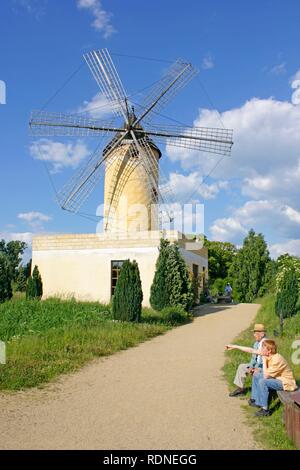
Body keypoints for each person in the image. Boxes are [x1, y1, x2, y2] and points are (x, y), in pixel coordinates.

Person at [250, 339, 297, 417]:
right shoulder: (269, 355)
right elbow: (251, 350)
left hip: (286, 382)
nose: (261, 349)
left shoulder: (277, 359)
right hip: (277, 378)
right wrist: (234, 346)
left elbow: (265, 376)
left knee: (263, 381)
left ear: (269, 351)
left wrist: (264, 360)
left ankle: (265, 410)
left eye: (263, 348)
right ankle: (256, 401)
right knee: (256, 374)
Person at [225, 323, 267, 397]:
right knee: (242, 367)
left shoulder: (267, 344)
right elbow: (254, 357)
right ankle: (240, 389)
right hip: (257, 365)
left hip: (265, 368)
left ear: (262, 334)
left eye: (256, 333)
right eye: (254, 333)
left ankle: (256, 396)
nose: (254, 335)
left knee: (256, 373)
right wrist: (251, 366)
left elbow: (264, 361)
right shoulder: (256, 343)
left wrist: (255, 368)